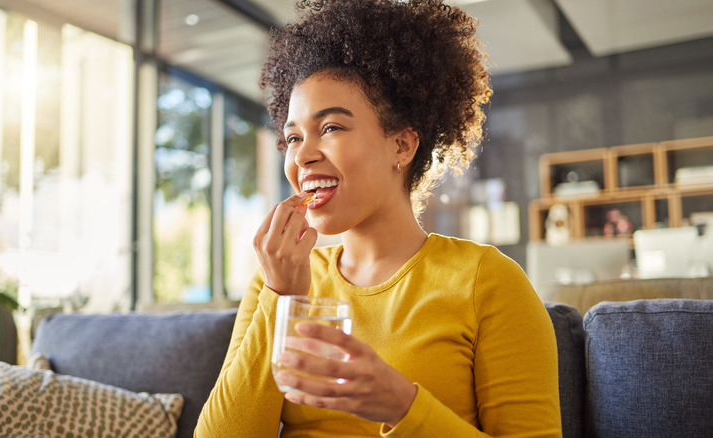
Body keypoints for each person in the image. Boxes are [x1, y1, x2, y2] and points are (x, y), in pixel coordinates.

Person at [195, 0, 561, 436]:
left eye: (331, 128)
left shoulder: (488, 282)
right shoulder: (280, 278)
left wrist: (403, 405)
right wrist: (281, 299)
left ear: (402, 146)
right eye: (292, 137)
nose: (303, 156)